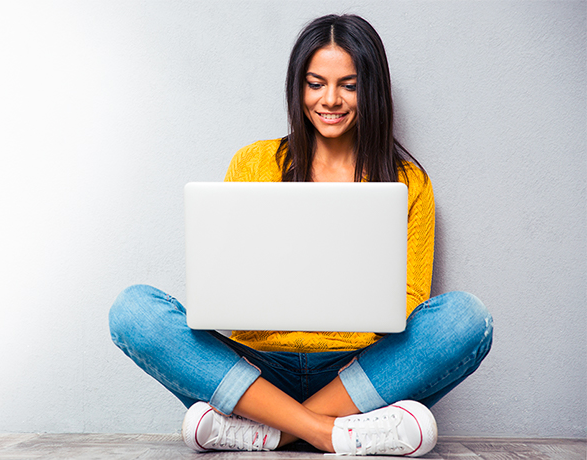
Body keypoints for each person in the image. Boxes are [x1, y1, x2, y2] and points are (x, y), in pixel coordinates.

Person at [108, 14, 493, 457]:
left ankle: (270, 430)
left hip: (357, 373)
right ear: (298, 87)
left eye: (349, 85)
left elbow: (408, 302)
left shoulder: (408, 182)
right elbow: (226, 288)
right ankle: (331, 433)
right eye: (316, 83)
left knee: (467, 318)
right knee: (133, 311)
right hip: (257, 370)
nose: (331, 100)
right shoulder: (254, 164)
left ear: (372, 90)